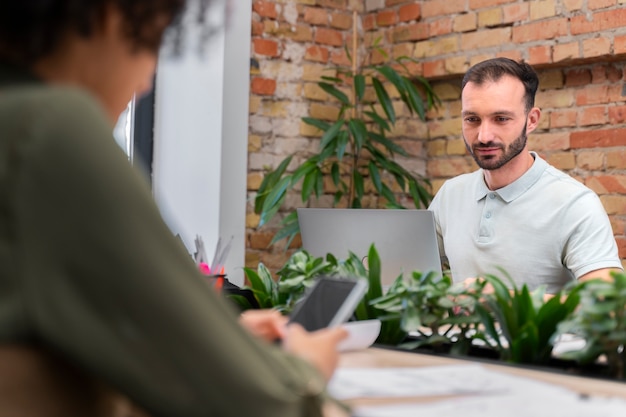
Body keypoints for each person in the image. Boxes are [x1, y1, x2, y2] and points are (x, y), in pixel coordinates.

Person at [0, 1, 348, 417]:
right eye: (153, 42)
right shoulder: (46, 130)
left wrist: (206, 344)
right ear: (110, 15)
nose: (146, 82)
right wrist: (306, 366)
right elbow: (270, 406)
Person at [428, 57, 623, 294]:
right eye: (472, 119)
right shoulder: (450, 194)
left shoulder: (574, 204)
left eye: (501, 119)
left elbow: (610, 306)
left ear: (531, 120)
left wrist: (507, 300)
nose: (483, 135)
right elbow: (405, 276)